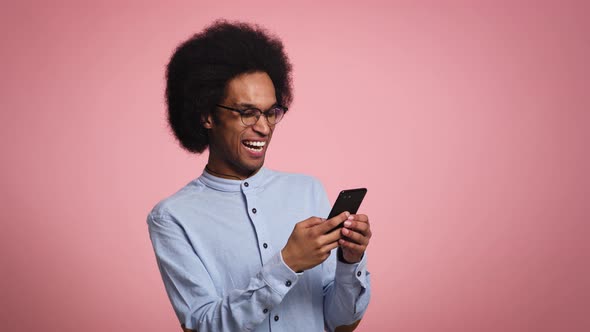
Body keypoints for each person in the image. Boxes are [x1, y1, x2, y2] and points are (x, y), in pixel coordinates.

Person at [147, 20, 372, 332]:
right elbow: (203, 326)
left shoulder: (307, 190)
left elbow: (341, 324)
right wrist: (288, 264)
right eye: (247, 112)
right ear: (207, 115)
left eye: (270, 112)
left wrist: (350, 263)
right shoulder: (172, 217)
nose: (264, 127)